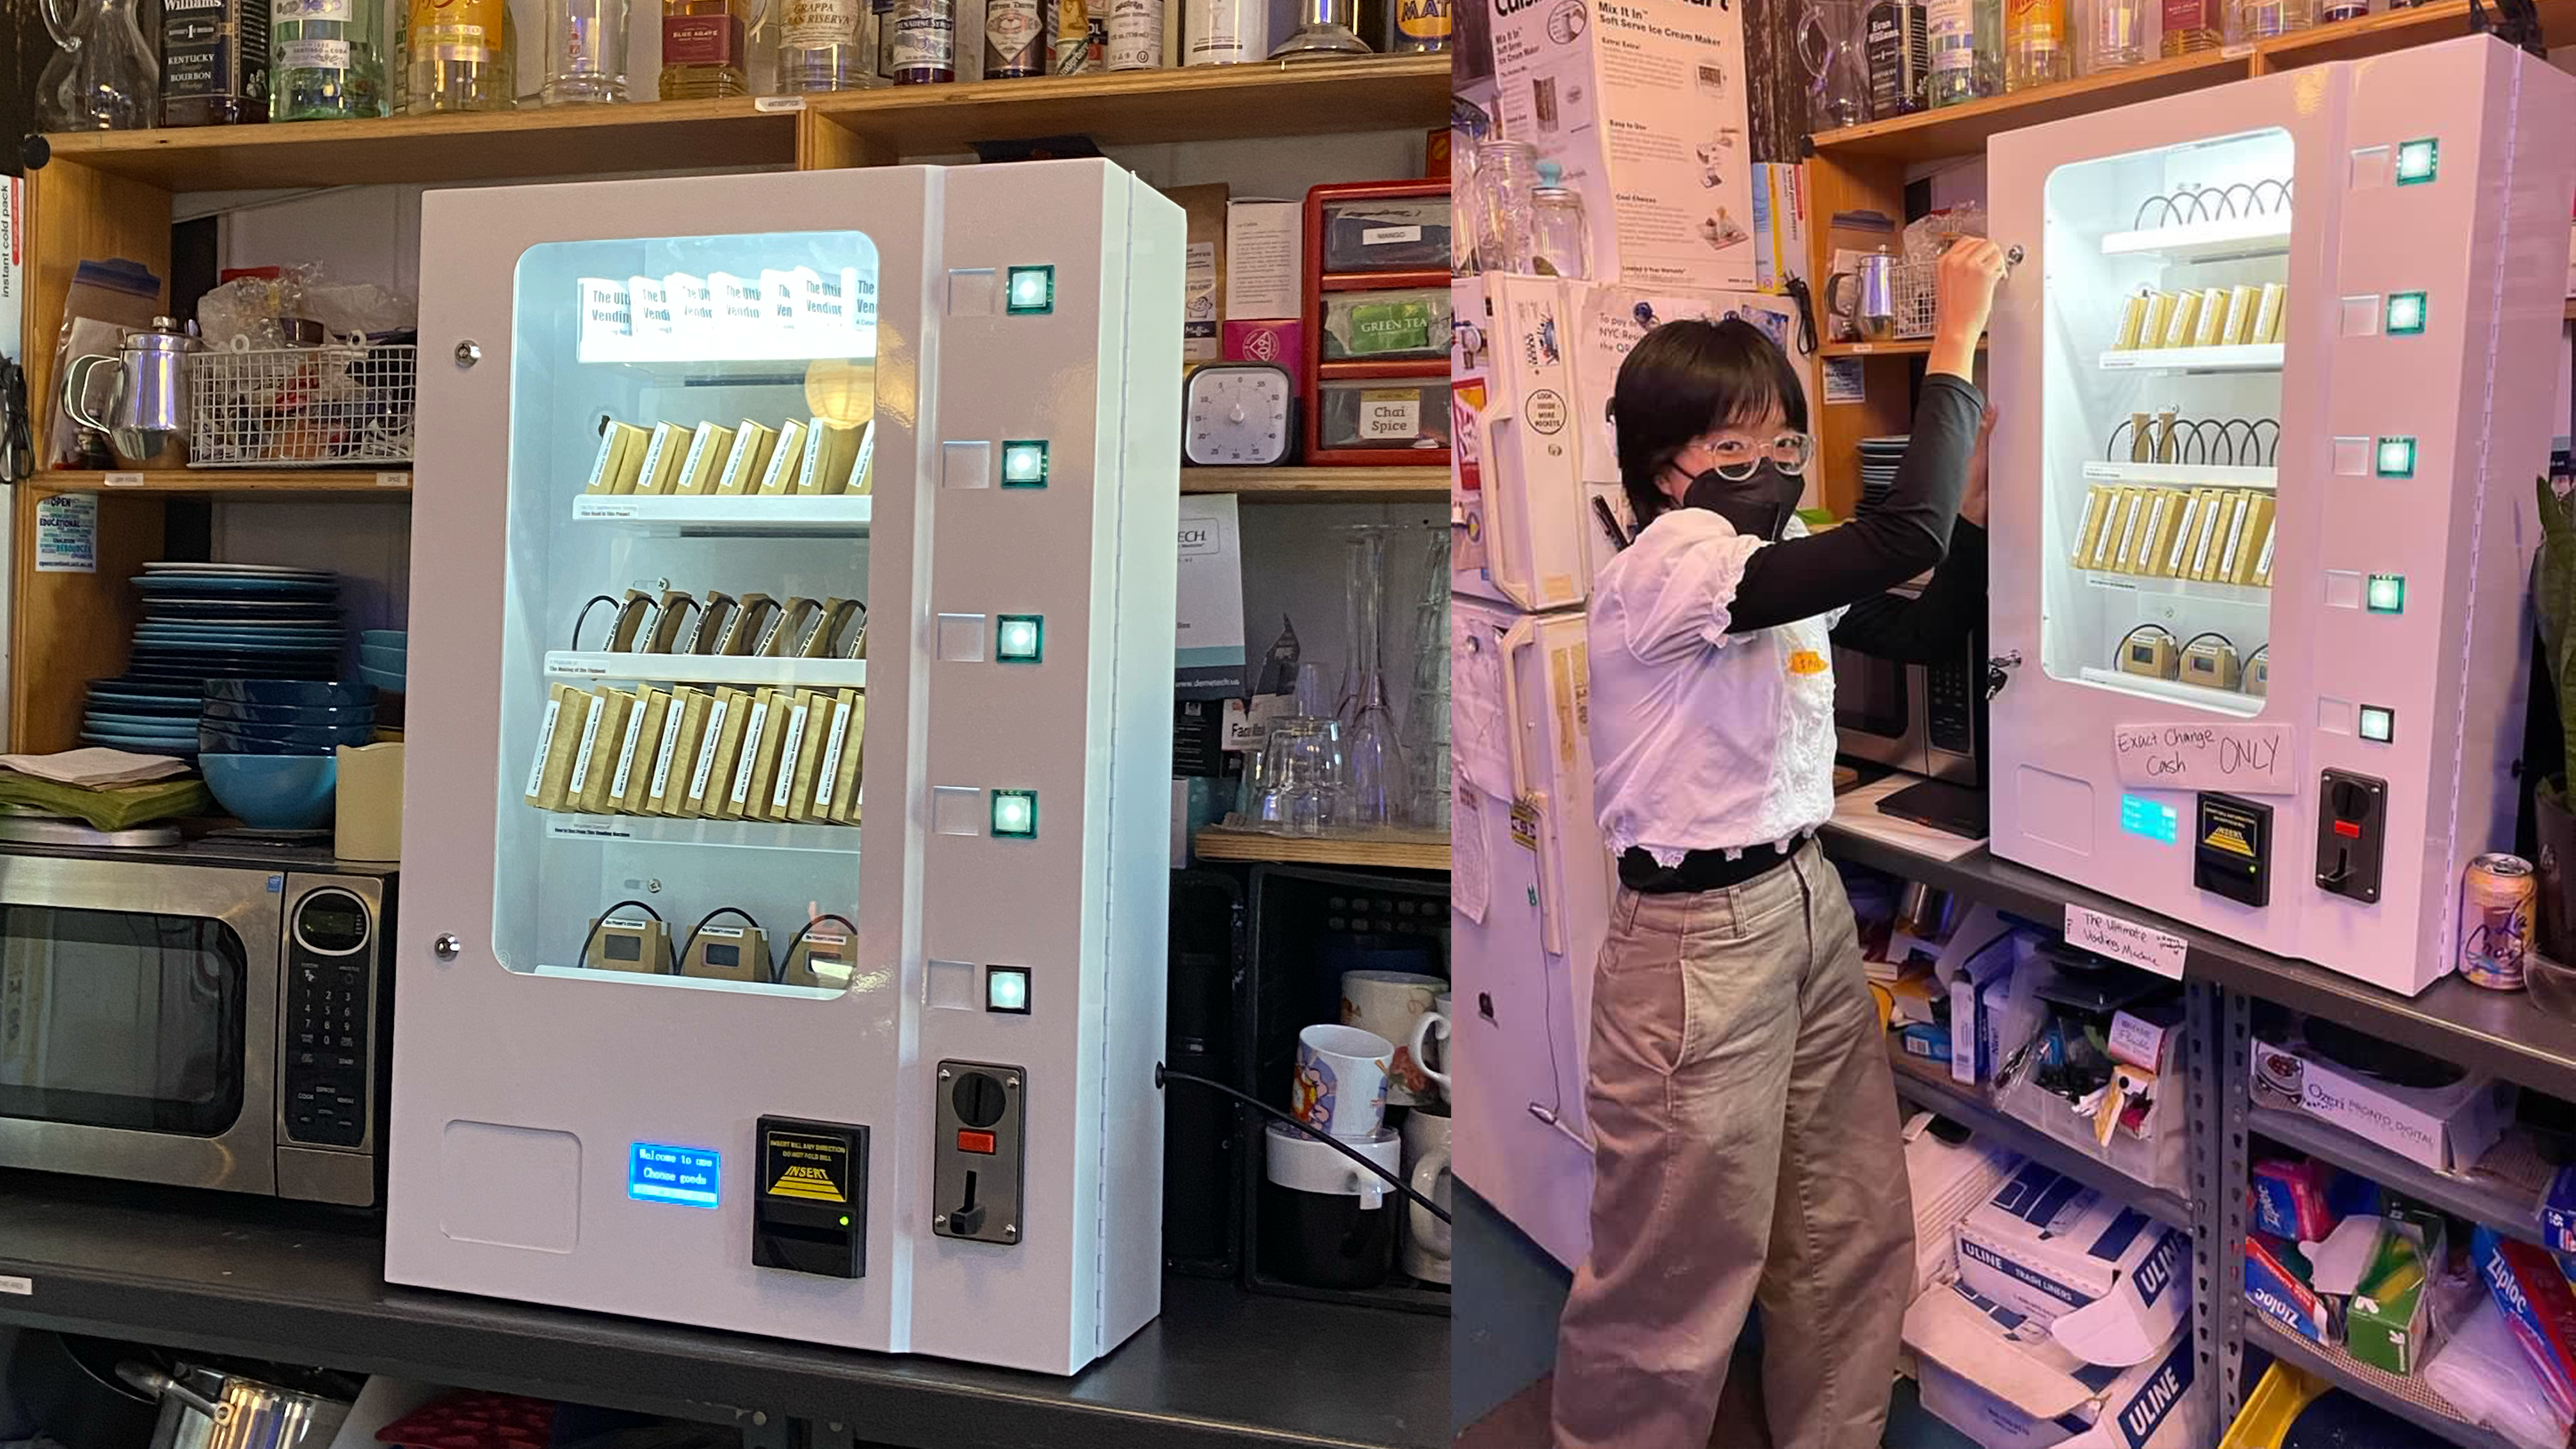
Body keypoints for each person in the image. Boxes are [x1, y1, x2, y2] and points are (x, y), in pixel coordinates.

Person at [1549, 238, 2008, 1449]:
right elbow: (1897, 542)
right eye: (1734, 448)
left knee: (1846, 1231)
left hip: (1802, 904)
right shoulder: (1672, 567)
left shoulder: (1762, 555)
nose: (1769, 467)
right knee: (1676, 1282)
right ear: (1665, 469)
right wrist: (1953, 338)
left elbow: (1917, 625)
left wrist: (1972, 508)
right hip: (1698, 948)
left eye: (1783, 442)